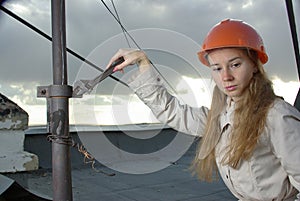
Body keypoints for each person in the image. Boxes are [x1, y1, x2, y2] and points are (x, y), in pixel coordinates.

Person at [106, 19, 300, 201]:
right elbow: (171, 111)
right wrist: (142, 62)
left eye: (235, 64)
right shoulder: (221, 117)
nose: (226, 76)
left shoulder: (277, 117)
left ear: (254, 66)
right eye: (217, 68)